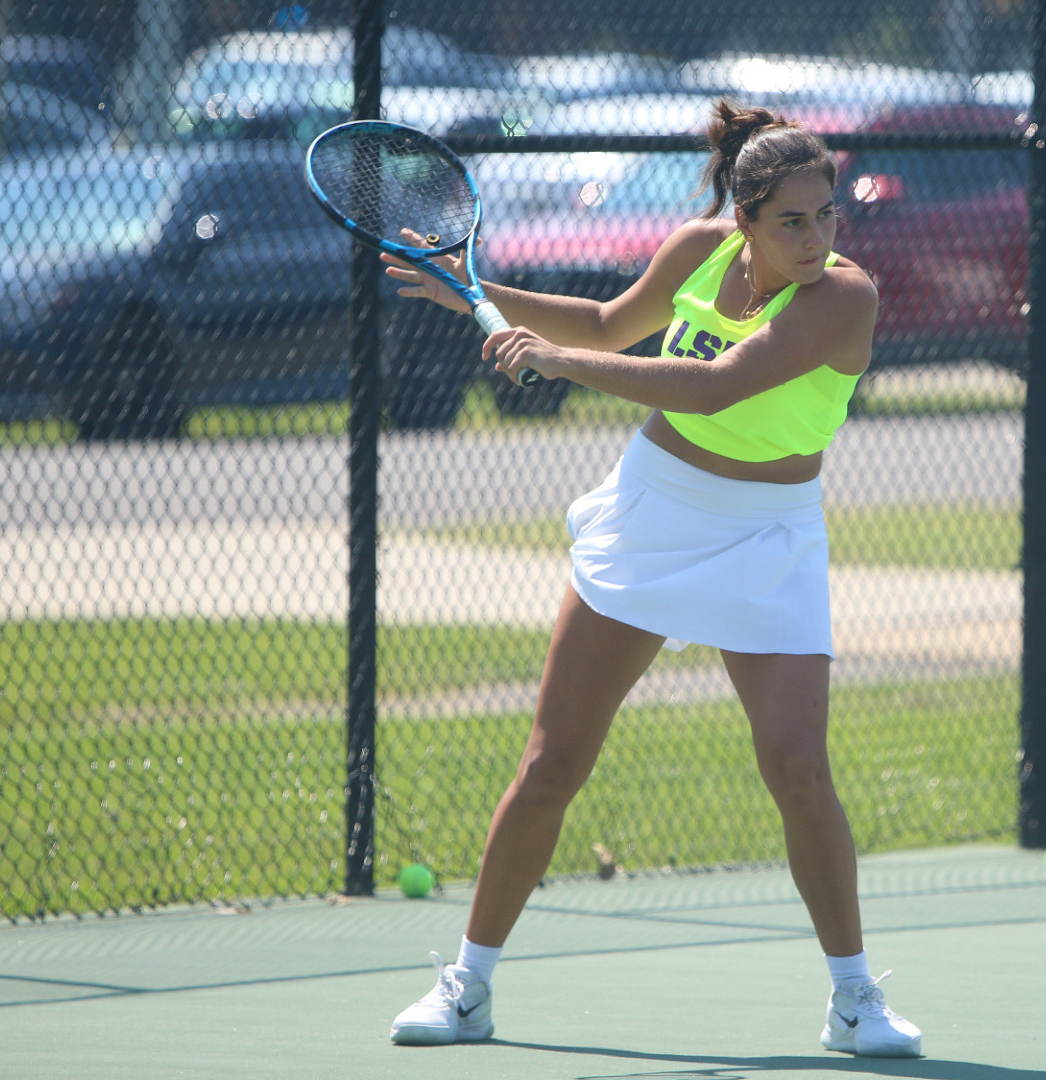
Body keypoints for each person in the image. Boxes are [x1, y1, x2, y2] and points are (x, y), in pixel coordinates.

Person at [379, 99, 922, 1059]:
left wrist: (558, 365)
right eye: (791, 220)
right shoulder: (698, 251)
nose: (816, 237)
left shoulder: (844, 297)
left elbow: (719, 385)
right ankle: (467, 987)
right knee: (552, 765)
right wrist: (468, 282)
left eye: (828, 214)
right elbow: (609, 321)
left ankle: (854, 1001)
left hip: (772, 538)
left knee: (799, 768)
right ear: (744, 221)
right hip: (655, 513)